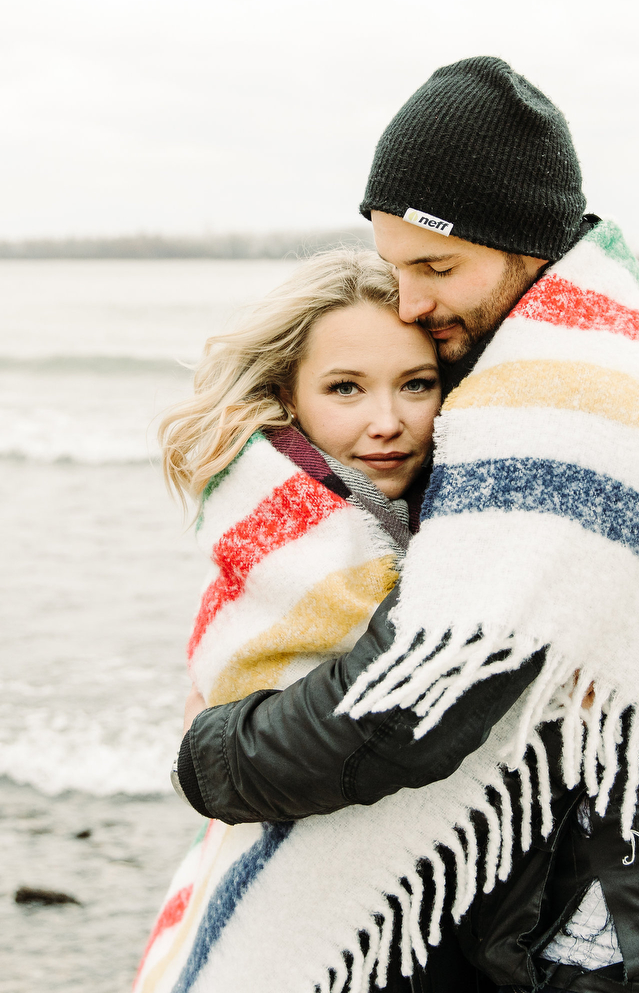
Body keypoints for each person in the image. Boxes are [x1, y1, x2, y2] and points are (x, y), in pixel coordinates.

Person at [171, 58, 639, 993]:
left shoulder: (553, 406)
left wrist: (209, 760)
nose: (411, 303)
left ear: (522, 244)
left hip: (631, 936)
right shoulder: (602, 346)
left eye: (436, 268)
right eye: (398, 269)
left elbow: (408, 704)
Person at [135, 249, 444, 993]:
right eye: (345, 388)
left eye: (417, 384)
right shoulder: (270, 526)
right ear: (288, 396)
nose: (387, 422)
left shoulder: (451, 517)